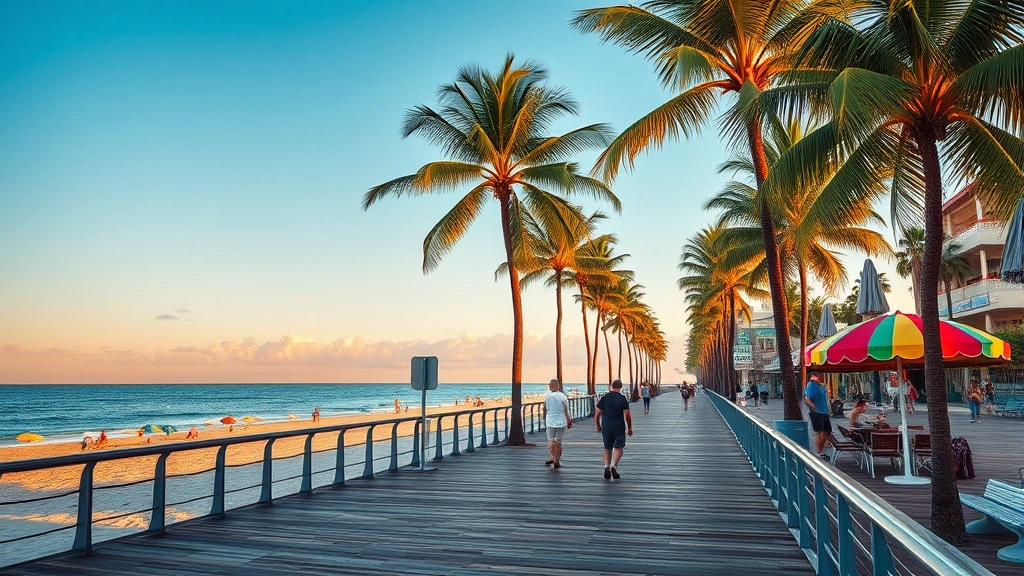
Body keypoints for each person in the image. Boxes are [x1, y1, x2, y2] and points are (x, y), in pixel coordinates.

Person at [595, 379, 632, 480]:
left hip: (606, 426)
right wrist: (629, 428)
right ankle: (613, 465)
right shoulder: (622, 399)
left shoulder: (605, 398)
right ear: (621, 387)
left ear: (611, 386)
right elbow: (627, 415)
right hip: (619, 426)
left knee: (607, 447)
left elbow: (597, 413)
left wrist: (598, 425)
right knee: (619, 447)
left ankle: (607, 466)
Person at [543, 378, 572, 469]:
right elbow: (565, 409)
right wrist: (568, 419)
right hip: (561, 421)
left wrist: (544, 418)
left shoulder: (547, 396)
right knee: (558, 442)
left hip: (550, 421)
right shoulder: (562, 396)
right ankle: (556, 460)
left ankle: (552, 457)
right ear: (558, 386)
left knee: (551, 441)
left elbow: (545, 408)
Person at [803, 372, 832, 461]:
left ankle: (820, 451)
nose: (820, 377)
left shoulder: (819, 385)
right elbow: (807, 397)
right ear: (813, 376)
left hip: (823, 412)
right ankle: (819, 452)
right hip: (818, 412)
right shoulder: (812, 385)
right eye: (818, 375)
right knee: (821, 432)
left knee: (825, 432)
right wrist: (812, 405)